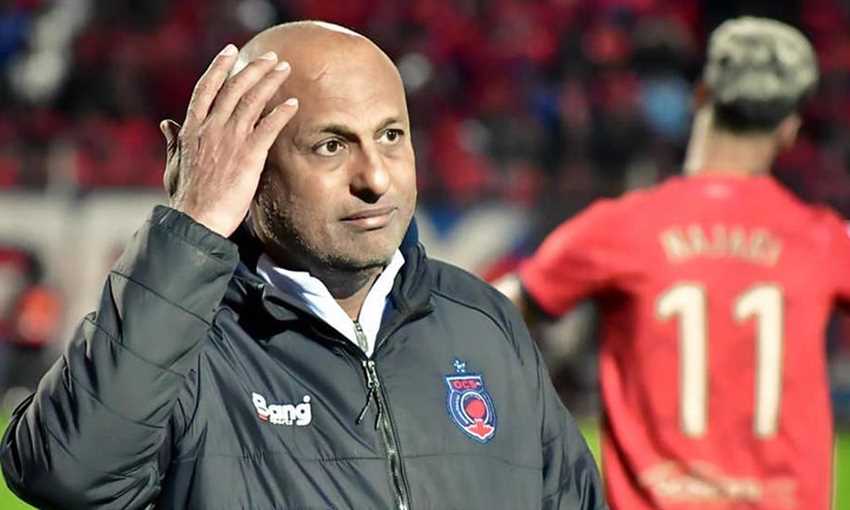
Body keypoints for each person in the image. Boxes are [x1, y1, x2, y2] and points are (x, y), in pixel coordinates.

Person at [0, 21, 605, 510]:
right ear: (250, 165)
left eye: (391, 136)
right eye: (331, 146)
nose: (375, 178)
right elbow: (67, 474)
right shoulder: (187, 339)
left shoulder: (483, 321)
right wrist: (194, 223)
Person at [496, 16, 847, 510]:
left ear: (701, 95)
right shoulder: (824, 239)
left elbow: (493, 309)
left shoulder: (619, 228)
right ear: (790, 128)